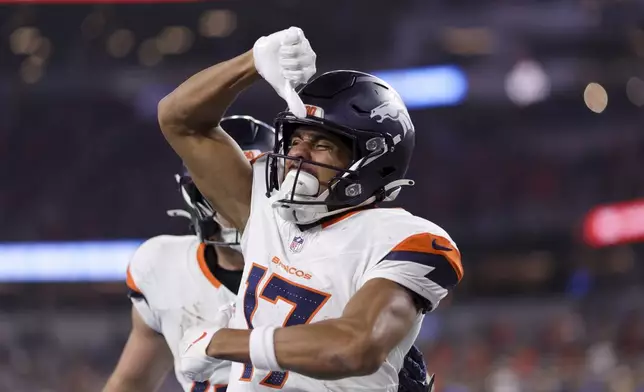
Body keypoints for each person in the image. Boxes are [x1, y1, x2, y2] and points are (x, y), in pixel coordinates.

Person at [158, 26, 460, 391]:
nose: (297, 154)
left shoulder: (404, 238)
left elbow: (353, 347)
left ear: (372, 161)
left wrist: (221, 342)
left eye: (321, 144)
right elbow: (180, 120)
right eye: (295, 138)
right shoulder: (265, 210)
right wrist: (252, 62)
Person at [103, 116, 274, 392]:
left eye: (250, 186)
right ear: (194, 192)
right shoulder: (161, 267)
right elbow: (132, 383)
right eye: (219, 188)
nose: (236, 199)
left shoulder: (318, 263)